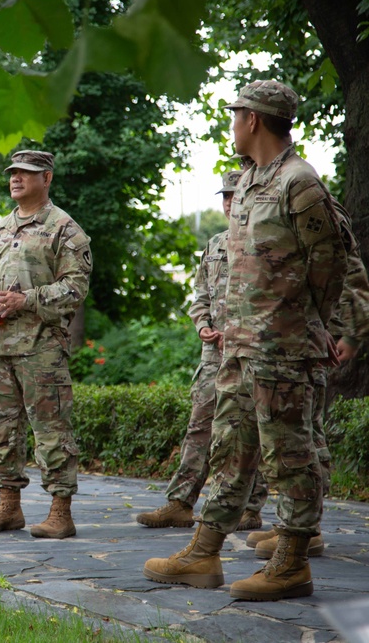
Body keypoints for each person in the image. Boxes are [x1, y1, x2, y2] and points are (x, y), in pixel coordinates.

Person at [143, 80, 349, 601]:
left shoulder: (299, 184)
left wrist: (307, 323)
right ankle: (203, 551)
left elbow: (332, 266)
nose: (232, 124)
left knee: (291, 455)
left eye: (236, 115)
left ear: (253, 120)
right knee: (230, 450)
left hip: (281, 350)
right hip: (238, 348)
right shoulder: (254, 182)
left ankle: (292, 563)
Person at [0, 149, 93, 539]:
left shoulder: (65, 229)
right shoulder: (0, 229)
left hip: (42, 350)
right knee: (0, 432)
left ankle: (60, 511)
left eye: (26, 172)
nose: (16, 178)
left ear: (47, 177)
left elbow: (76, 287)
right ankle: (9, 508)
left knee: (53, 432)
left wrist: (27, 300)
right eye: (13, 172)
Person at [136, 170, 267, 531]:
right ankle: (181, 503)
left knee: (253, 429)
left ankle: (250, 508)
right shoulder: (215, 244)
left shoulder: (269, 241)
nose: (229, 202)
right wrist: (203, 325)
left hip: (254, 355)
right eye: (224, 196)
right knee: (200, 428)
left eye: (235, 195)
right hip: (214, 356)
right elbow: (201, 297)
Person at [245, 201, 369, 559]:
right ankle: (293, 525)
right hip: (287, 338)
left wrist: (353, 334)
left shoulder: (315, 205)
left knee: (304, 435)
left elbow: (349, 272)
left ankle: (305, 530)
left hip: (312, 338)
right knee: (290, 438)